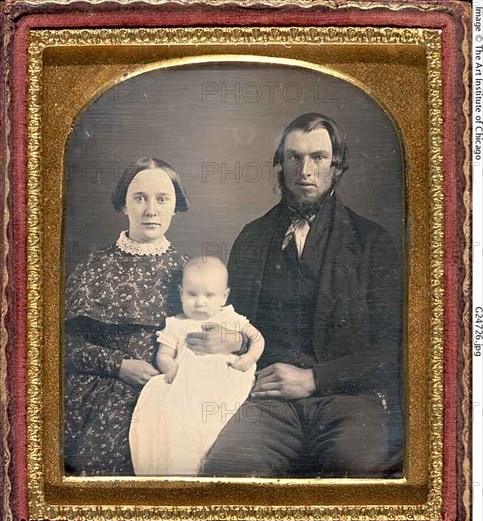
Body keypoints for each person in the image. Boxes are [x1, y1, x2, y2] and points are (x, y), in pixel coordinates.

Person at [201, 113, 403, 478]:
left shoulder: (373, 242)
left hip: (350, 401)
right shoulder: (253, 238)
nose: (305, 170)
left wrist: (314, 379)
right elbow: (239, 328)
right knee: (226, 470)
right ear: (279, 165)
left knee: (355, 475)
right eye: (294, 157)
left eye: (318, 157)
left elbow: (394, 348)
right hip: (269, 400)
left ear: (337, 166)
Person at [63, 156, 193, 476]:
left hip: (169, 391)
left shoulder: (188, 272)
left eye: (162, 199)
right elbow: (61, 346)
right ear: (124, 205)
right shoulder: (94, 267)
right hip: (100, 392)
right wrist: (119, 366)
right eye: (140, 198)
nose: (151, 210)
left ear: (175, 206)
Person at [129, 256, 264, 475]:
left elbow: (257, 339)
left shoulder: (230, 318)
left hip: (224, 379)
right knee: (171, 415)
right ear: (181, 293)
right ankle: (180, 463)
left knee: (216, 421)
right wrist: (170, 367)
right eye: (192, 294)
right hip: (188, 383)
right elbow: (163, 354)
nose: (200, 302)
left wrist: (248, 359)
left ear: (224, 296)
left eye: (209, 295)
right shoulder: (177, 324)